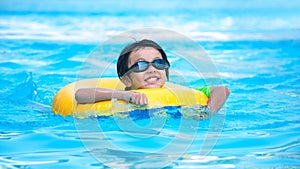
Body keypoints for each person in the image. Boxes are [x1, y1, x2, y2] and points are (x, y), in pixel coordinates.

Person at [75, 39, 230, 112]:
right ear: (126, 79)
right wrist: (123, 96)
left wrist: (208, 112)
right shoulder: (125, 94)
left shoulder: (178, 93)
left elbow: (222, 89)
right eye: (141, 65)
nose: (152, 69)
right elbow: (80, 95)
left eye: (159, 63)